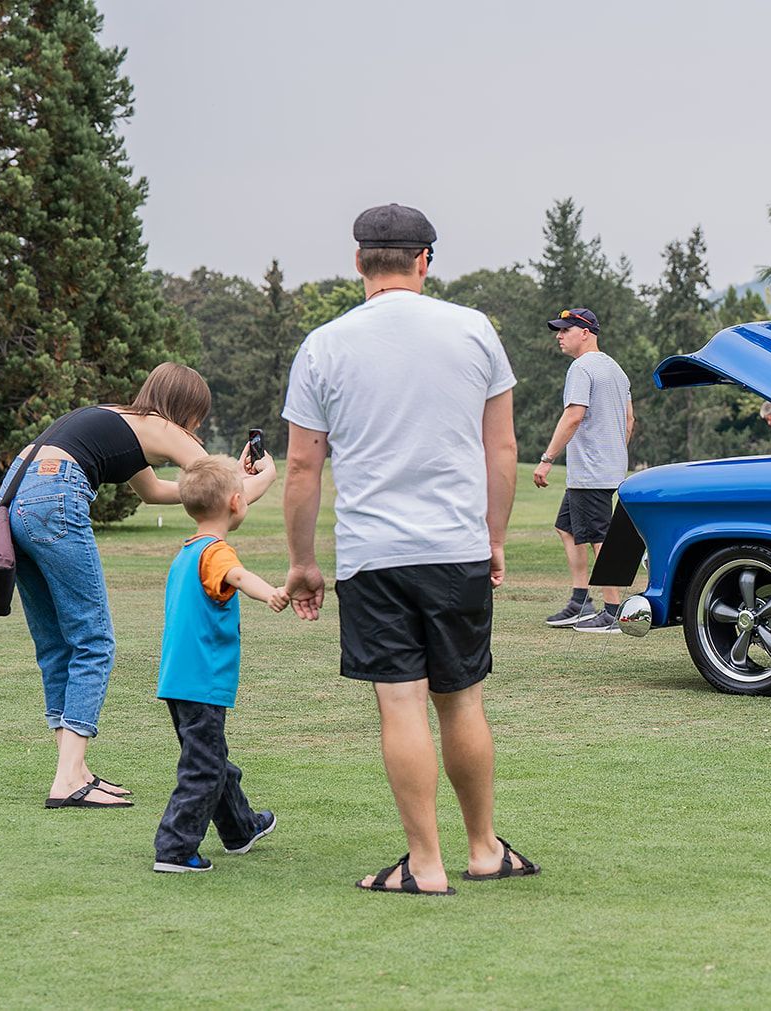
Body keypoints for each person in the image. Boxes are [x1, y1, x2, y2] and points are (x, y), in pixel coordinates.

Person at [282, 203, 538, 895]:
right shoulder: (475, 330)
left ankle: (424, 864)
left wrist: (303, 561)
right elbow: (503, 448)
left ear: (359, 260)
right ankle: (483, 848)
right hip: (455, 545)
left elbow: (303, 468)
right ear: (425, 259)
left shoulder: (324, 344)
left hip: (373, 552)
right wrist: (493, 536)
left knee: (401, 705)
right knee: (462, 701)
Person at [1, 362, 255, 810]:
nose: (197, 427)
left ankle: (73, 770)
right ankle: (67, 780)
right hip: (55, 494)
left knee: (59, 645)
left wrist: (236, 475)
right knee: (93, 641)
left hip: (13, 498)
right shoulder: (161, 425)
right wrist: (261, 476)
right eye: (198, 416)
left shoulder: (120, 421)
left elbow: (155, 491)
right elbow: (220, 491)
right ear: (187, 409)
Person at [153, 455, 286, 872]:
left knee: (211, 756)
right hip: (202, 680)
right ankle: (175, 848)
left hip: (179, 679)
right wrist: (272, 594)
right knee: (204, 766)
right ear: (235, 503)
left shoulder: (188, 552)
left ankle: (240, 828)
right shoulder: (217, 553)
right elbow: (240, 577)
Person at [532, 307, 634, 633]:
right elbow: (630, 421)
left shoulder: (582, 367)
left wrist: (547, 458)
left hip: (590, 470)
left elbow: (574, 415)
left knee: (599, 537)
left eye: (565, 330)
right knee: (568, 528)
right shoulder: (616, 370)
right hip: (607, 467)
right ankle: (580, 602)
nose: (559, 336)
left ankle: (614, 611)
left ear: (585, 333)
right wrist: (615, 451)